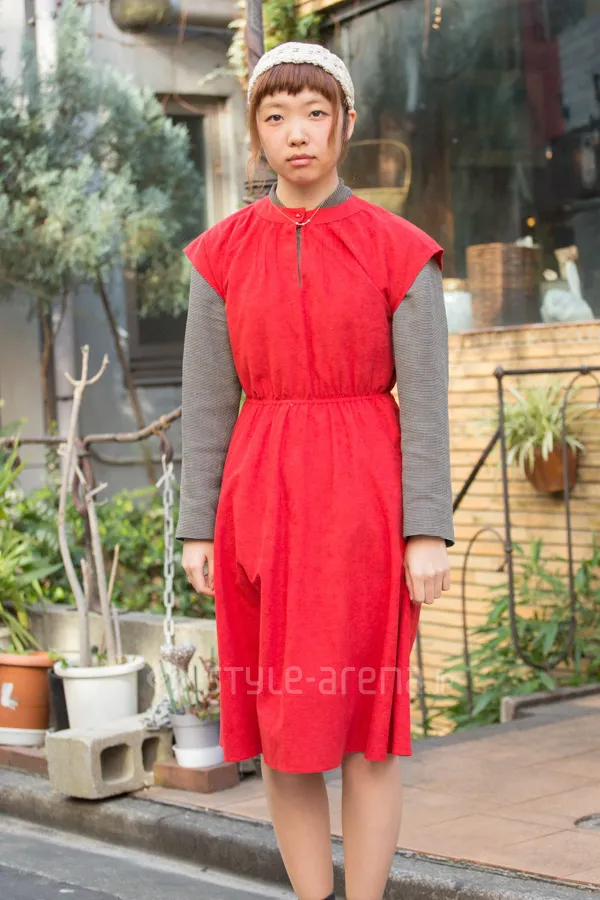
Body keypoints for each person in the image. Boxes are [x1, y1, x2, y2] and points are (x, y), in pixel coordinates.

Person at [176, 41, 454, 900]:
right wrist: (196, 528)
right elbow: (207, 402)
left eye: (314, 113)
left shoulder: (400, 251)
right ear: (256, 134)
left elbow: (429, 404)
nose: (296, 133)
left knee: (370, 727)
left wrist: (427, 529)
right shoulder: (218, 257)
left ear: (346, 124)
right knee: (280, 725)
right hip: (258, 505)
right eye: (276, 116)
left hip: (367, 506)